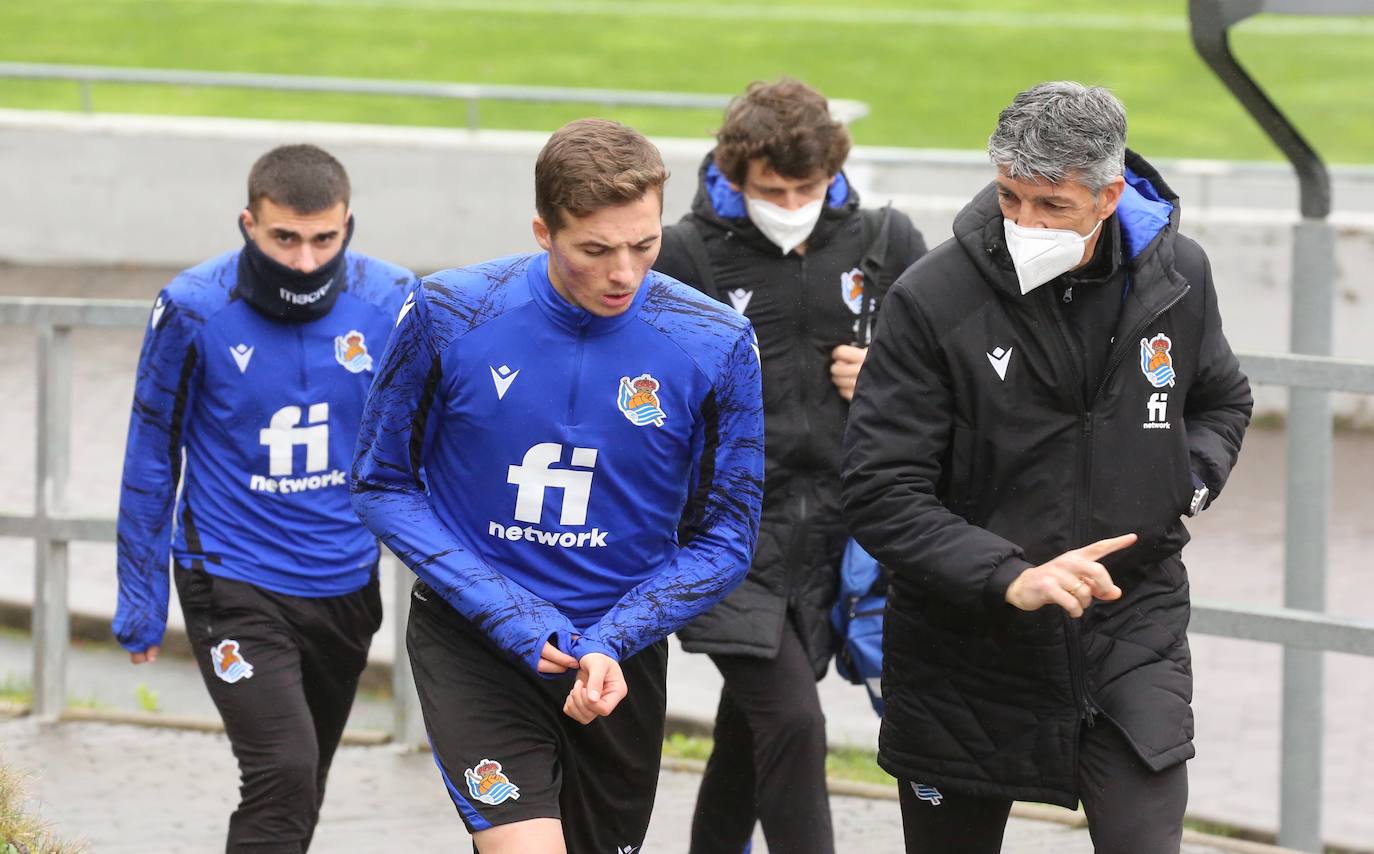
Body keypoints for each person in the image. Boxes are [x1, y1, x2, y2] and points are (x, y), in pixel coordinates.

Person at [841, 81, 1253, 853]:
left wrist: (1183, 485)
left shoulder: (1179, 276)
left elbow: (1221, 400)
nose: (1025, 222)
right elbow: (880, 489)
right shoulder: (932, 297)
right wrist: (1010, 576)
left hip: (1131, 631)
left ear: (1109, 196)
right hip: (966, 652)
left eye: (1052, 205)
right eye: (1010, 197)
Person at [350, 118, 764, 854]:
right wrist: (509, 613)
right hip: (474, 641)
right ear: (544, 231)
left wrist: (614, 637)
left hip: (616, 658)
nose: (624, 273)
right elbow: (381, 483)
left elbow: (728, 537)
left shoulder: (717, 341)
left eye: (644, 245)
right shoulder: (448, 312)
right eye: (595, 250)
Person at [113, 143, 415, 852]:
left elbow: (433, 437)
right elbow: (152, 450)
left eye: (324, 239)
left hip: (345, 580)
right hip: (231, 577)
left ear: (348, 225)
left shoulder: (393, 300)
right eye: (285, 238)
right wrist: (140, 602)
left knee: (302, 782)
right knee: (282, 771)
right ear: (248, 224)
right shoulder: (193, 307)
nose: (305, 262)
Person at [652, 77, 926, 853]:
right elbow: (637, 398)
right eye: (773, 190)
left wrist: (888, 377)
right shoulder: (683, 254)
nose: (792, 203)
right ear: (733, 174)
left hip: (839, 546)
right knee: (795, 723)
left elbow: (948, 379)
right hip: (724, 544)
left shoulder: (886, 242)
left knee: (753, 735)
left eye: (809, 187)